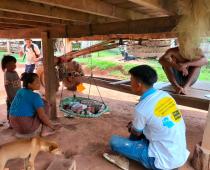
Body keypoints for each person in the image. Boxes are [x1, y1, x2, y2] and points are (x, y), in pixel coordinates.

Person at [104, 65, 189, 170]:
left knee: (114, 141)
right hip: (178, 155)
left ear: (139, 85)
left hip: (161, 162)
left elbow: (136, 133)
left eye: (131, 80)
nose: (130, 83)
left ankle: (128, 156)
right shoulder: (165, 95)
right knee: (143, 127)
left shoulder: (142, 109)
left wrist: (133, 129)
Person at [9, 72, 57, 137]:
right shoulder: (35, 96)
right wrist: (52, 126)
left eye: (39, 81)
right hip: (26, 128)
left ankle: (48, 124)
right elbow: (42, 116)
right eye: (37, 82)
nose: (39, 84)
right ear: (29, 84)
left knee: (42, 102)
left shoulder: (20, 91)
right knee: (46, 106)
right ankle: (45, 131)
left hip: (14, 125)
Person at [1, 55, 21, 124]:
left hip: (17, 95)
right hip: (11, 96)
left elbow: (17, 81)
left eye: (14, 64)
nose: (14, 66)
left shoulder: (15, 72)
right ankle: (10, 122)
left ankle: (15, 120)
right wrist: (9, 97)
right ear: (6, 65)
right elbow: (6, 86)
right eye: (11, 64)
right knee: (10, 109)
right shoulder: (7, 74)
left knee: (16, 108)